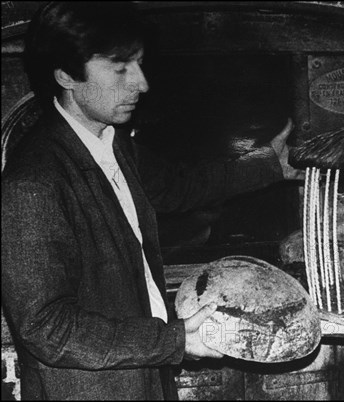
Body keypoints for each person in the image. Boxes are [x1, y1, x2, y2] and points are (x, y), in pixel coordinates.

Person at [1, 2, 302, 400]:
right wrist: (172, 342)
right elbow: (47, 328)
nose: (141, 84)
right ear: (65, 75)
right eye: (121, 67)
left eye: (139, 65)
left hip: (146, 378)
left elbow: (179, 186)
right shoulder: (33, 182)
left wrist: (267, 167)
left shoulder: (112, 143)